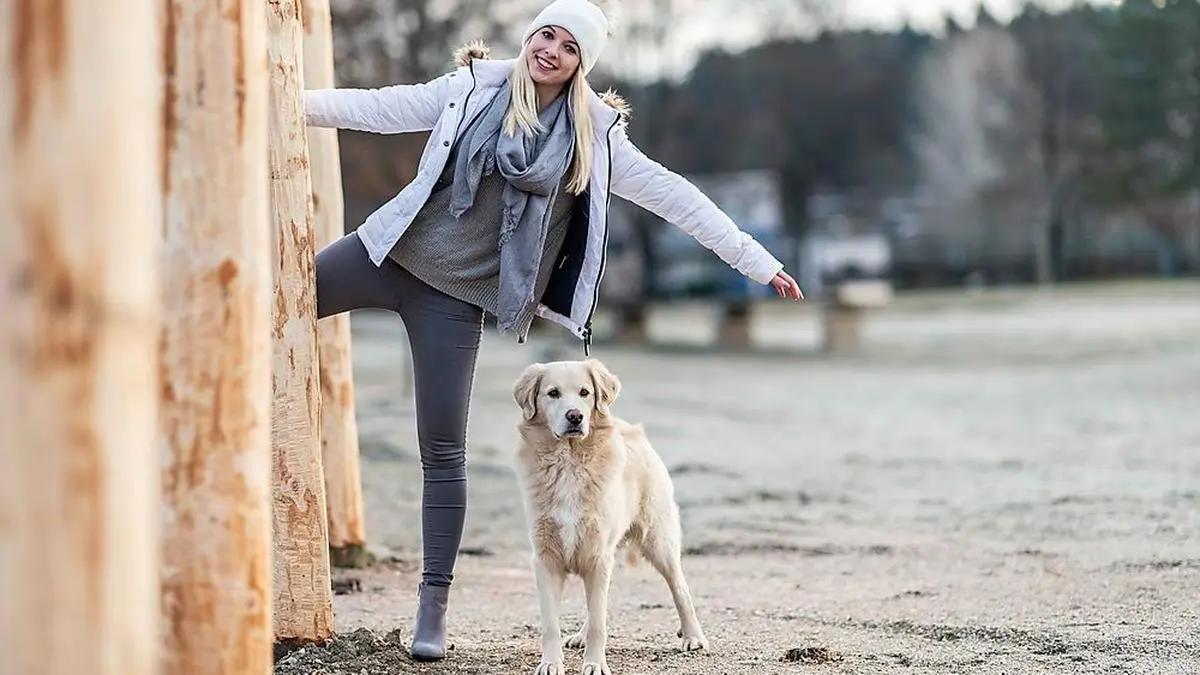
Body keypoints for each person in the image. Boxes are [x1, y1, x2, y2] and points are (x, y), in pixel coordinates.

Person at [302, 0, 804, 661]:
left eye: (570, 46)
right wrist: (287, 96)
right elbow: (376, 108)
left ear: (580, 65)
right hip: (381, 253)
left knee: (442, 452)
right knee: (266, 305)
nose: (551, 50)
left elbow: (680, 199)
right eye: (546, 34)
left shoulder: (596, 140)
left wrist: (757, 260)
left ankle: (433, 607)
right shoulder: (472, 88)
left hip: (452, 303)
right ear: (529, 35)